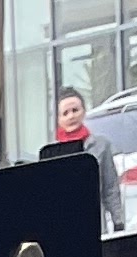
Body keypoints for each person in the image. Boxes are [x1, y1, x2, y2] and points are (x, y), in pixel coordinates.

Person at [53, 88, 125, 235]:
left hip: (96, 224)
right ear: (58, 119)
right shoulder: (51, 152)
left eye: (75, 110)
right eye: (65, 113)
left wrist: (119, 221)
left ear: (84, 111)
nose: (71, 116)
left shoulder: (101, 145)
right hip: (63, 226)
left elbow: (110, 188)